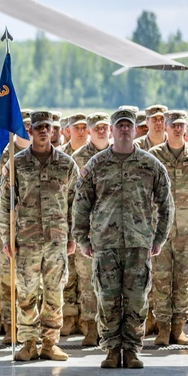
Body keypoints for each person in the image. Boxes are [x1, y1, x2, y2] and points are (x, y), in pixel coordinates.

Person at [72, 107, 174, 369]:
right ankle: (110, 349)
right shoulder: (96, 165)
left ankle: (131, 349)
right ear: (113, 130)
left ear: (133, 128)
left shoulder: (151, 165)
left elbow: (166, 205)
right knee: (107, 298)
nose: (125, 129)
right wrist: (83, 239)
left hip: (139, 244)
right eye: (120, 125)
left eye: (129, 125)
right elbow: (81, 204)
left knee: (137, 299)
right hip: (105, 244)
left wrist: (159, 238)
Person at [0, 112, 78, 362]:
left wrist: (73, 236)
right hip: (26, 241)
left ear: (54, 131)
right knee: (26, 293)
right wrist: (5, 238)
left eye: (48, 127)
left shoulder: (66, 164)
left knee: (54, 293)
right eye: (38, 127)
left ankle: (50, 343)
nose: (44, 131)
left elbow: (76, 203)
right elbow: (5, 204)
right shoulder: (17, 163)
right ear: (29, 131)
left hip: (56, 240)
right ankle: (29, 342)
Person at [148, 110, 188, 346]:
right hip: (160, 231)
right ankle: (163, 328)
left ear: (185, 128)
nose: (177, 129)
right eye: (172, 125)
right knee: (162, 280)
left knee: (184, 280)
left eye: (180, 125)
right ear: (165, 127)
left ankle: (178, 328)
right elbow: (146, 193)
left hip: (187, 229)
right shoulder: (154, 156)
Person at [67, 113, 111, 346]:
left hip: (112, 232)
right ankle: (91, 328)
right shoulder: (78, 158)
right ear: (90, 132)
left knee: (111, 283)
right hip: (87, 232)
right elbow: (71, 198)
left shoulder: (118, 154)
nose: (101, 131)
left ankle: (110, 328)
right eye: (97, 128)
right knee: (87, 282)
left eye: (105, 127)